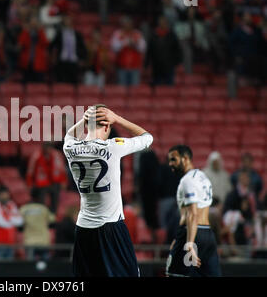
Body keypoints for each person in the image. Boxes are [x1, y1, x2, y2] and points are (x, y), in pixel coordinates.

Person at [63, 105, 153, 277]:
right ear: (106, 126)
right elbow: (147, 137)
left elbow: (69, 135)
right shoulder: (113, 147)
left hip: (83, 228)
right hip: (110, 227)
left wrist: (85, 119)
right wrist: (117, 118)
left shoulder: (70, 148)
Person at [165, 145, 221, 277]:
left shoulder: (187, 181)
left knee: (174, 273)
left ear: (185, 159)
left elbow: (192, 213)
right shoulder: (203, 177)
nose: (170, 164)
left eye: (174, 159)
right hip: (207, 234)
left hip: (191, 233)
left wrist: (189, 242)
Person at [26, 141, 67, 214]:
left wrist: (64, 181)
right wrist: (29, 184)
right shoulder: (36, 156)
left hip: (55, 181)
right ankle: (42, 216)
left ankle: (53, 218)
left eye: (50, 147)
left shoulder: (57, 155)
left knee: (55, 202)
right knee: (41, 202)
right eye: (47, 147)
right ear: (43, 147)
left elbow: (62, 169)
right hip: (42, 183)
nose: (48, 149)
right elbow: (30, 171)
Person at [0, 188, 23, 260]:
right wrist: (11, 221)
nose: (6, 197)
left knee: (8, 267)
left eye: (7, 195)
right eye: (4, 195)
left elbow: (20, 220)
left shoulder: (11, 204)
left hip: (10, 242)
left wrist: (8, 219)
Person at [19, 192, 56, 260]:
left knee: (30, 267)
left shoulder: (23, 209)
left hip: (29, 242)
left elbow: (18, 223)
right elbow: (53, 220)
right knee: (45, 265)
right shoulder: (44, 208)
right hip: (43, 241)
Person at [111, 16, 146, 86]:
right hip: (122, 66)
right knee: (121, 90)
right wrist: (125, 42)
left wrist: (134, 44)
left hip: (135, 67)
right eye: (126, 23)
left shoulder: (137, 33)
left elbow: (143, 47)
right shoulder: (118, 33)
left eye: (129, 23)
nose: (127, 25)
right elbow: (114, 47)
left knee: (135, 90)